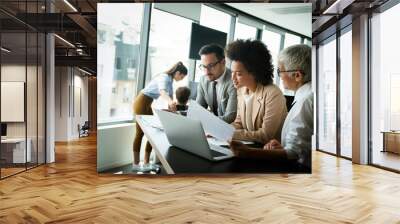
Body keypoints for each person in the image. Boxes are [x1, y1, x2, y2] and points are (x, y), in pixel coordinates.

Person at [229, 44, 313, 168]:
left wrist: (247, 152)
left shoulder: (305, 101)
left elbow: (294, 154)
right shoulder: (305, 96)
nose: (279, 75)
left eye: (280, 71)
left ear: (297, 76)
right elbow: (301, 148)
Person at [226, 39, 287, 144]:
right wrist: (221, 130)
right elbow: (239, 123)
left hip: (268, 153)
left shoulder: (273, 94)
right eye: (232, 72)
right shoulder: (241, 90)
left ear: (255, 73)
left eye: (239, 74)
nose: (233, 78)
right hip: (248, 148)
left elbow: (265, 135)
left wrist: (230, 133)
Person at [132, 62, 187, 167]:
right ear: (178, 73)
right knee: (140, 133)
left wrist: (174, 110)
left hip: (147, 103)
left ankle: (147, 162)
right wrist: (171, 102)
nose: (181, 79)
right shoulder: (164, 77)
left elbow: (170, 99)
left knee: (153, 133)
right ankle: (135, 164)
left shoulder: (170, 82)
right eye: (182, 77)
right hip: (141, 101)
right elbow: (162, 92)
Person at [196, 43, 237, 123]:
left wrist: (205, 121)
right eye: (203, 66)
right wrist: (178, 113)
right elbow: (198, 110)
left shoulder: (234, 81)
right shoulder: (203, 80)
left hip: (229, 130)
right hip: (211, 129)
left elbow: (230, 117)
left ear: (223, 62)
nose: (206, 72)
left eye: (210, 65)